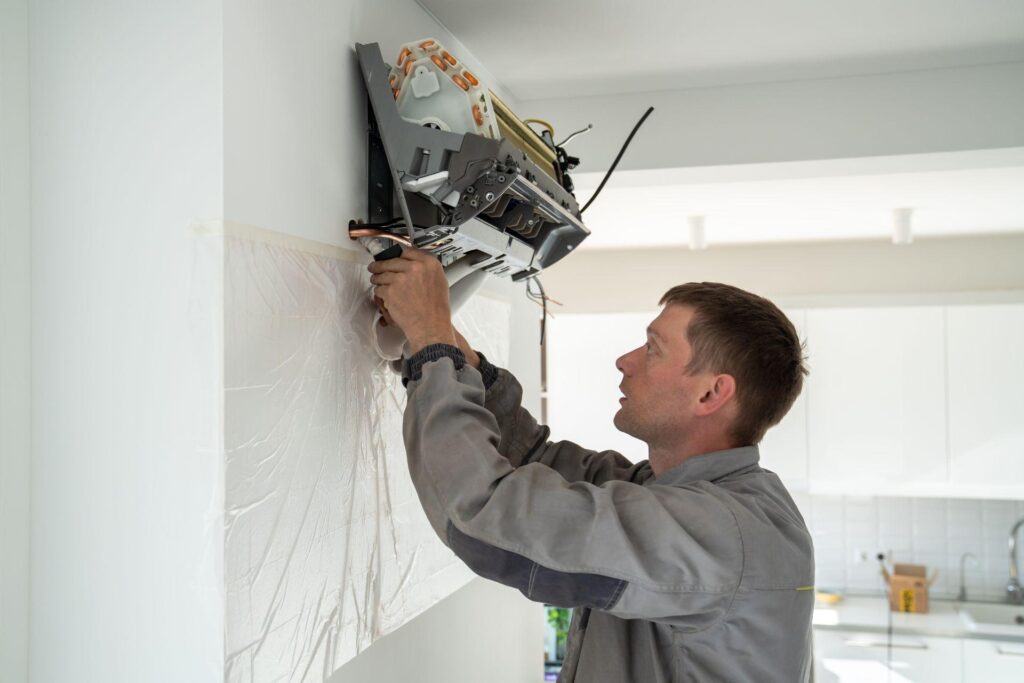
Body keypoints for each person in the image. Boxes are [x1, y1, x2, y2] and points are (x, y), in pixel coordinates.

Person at [368, 247, 814, 682]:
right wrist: (451, 352)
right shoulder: (690, 495)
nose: (625, 361)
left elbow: (484, 516)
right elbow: (533, 461)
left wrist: (431, 343)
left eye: (653, 349)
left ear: (711, 394)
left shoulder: (721, 535)